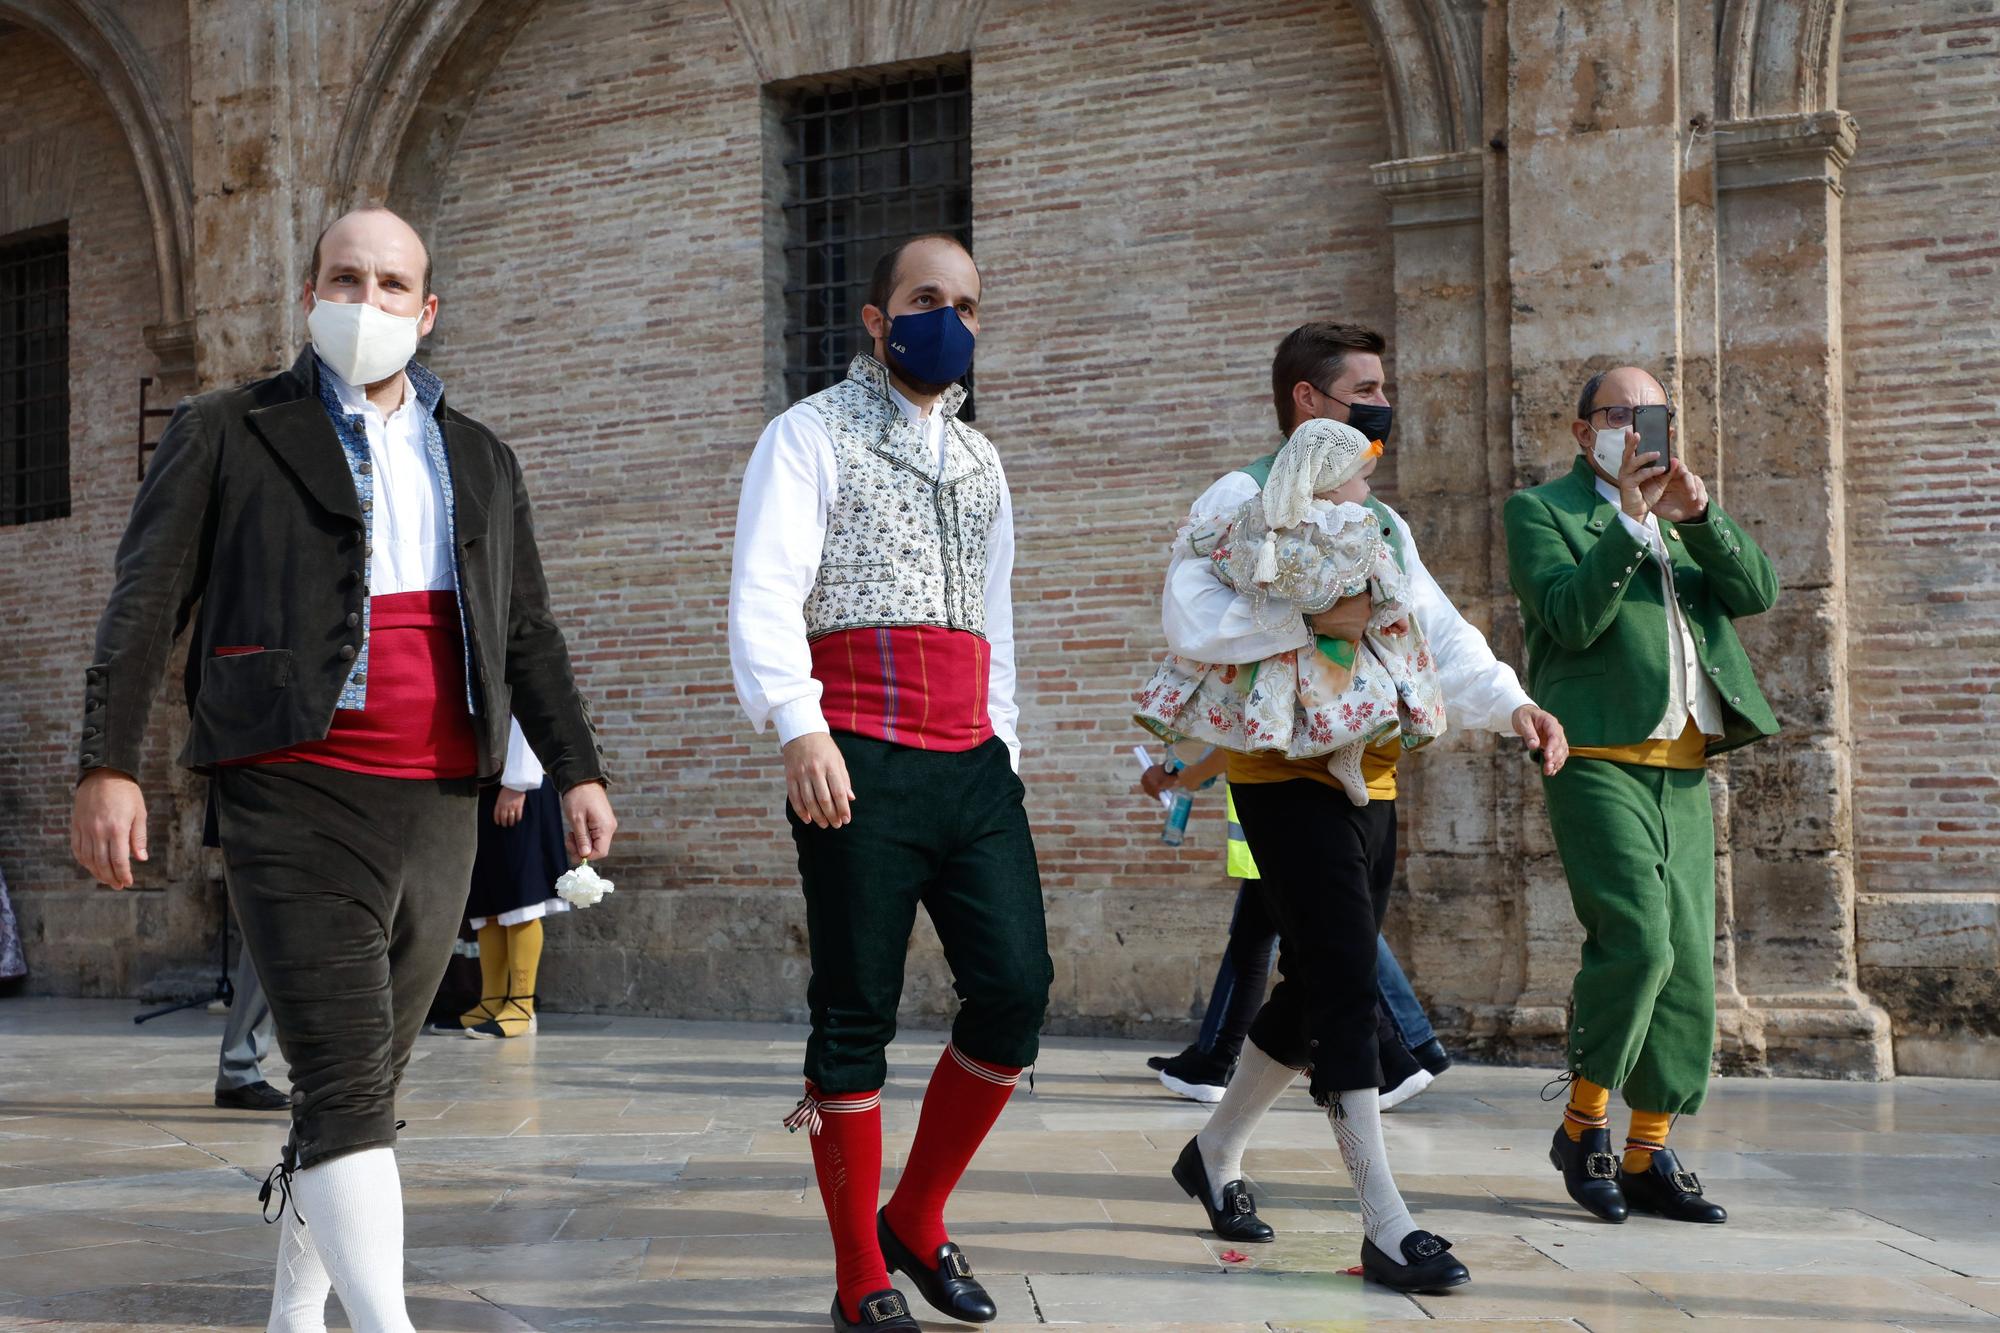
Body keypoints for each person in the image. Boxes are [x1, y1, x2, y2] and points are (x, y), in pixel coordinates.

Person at [70, 206, 616, 1333]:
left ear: (427, 311)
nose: (363, 303)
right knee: (346, 1082)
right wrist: (105, 764)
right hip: (289, 781)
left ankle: (291, 1318)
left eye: (389, 284)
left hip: (440, 799)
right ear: (309, 292)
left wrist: (576, 769)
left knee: (361, 1083)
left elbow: (528, 633)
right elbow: (144, 602)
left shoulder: (481, 458)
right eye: (343, 278)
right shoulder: (228, 429)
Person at [1160, 322, 1568, 1295]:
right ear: (1308, 399)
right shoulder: (1236, 498)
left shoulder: (1380, 522)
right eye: (1367, 388)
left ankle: (1211, 1154)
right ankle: (1386, 1224)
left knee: (1313, 987)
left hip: (1370, 772)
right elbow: (1188, 617)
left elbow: (1432, 626)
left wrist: (1509, 700)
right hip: (1277, 776)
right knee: (1343, 983)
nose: (1383, 405)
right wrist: (1302, 613)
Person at [728, 234, 1051, 1332]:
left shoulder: (983, 460)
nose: (947, 320)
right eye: (925, 299)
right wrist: (795, 724)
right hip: (853, 750)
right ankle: (857, 1269)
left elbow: (994, 618)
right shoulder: (806, 432)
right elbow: (767, 588)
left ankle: (914, 1213)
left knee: (1015, 989)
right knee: (853, 1010)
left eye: (965, 304)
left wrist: (1002, 741)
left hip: (970, 761)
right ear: (876, 318)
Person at [1504, 366, 1778, 1227]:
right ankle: (1582, 1123)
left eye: (1649, 412)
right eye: (1617, 413)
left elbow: (1757, 593)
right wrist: (1627, 519)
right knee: (1640, 941)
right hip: (1594, 755)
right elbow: (1569, 617)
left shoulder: (1684, 514)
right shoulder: (1541, 511)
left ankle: (1648, 1148)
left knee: (1691, 961)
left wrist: (1700, 519)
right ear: (1584, 432)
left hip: (1684, 760)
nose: (1635, 426)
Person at [1136, 417, 1444, 804]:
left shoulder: (1297, 518)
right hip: (1310, 640)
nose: (1368, 490)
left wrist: (1197, 533)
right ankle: (1208, 751)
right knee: (1292, 695)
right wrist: (1392, 609)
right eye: (1362, 479)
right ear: (1332, 482)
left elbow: (1379, 567)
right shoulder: (1300, 517)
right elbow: (1380, 570)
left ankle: (1344, 755)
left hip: (1324, 643)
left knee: (1334, 697)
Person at [1142, 750, 1450, 1110]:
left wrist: (1182, 772)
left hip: (1291, 809)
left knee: (1328, 950)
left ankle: (1395, 1057)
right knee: (1302, 952)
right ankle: (1217, 1068)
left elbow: (1243, 727)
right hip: (1302, 809)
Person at [452, 718, 570, 1039]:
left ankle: (522, 1006)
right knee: (488, 903)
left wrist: (518, 782)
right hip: (487, 786)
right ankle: (491, 1002)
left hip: (518, 786)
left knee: (521, 901)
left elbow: (526, 712)